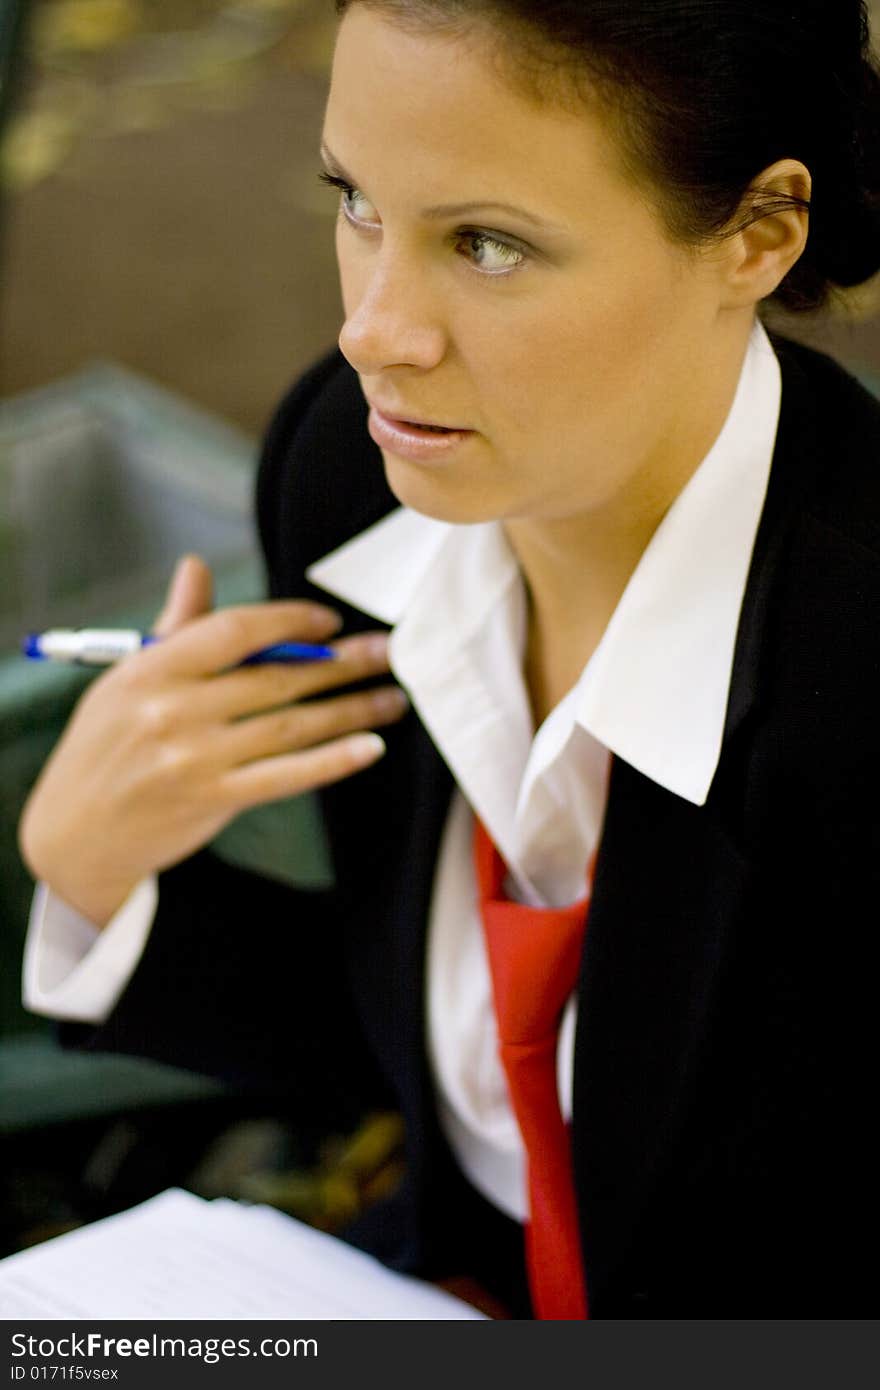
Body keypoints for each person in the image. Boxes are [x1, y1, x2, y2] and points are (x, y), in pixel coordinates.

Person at [18, 0, 880, 1317]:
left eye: (486, 243)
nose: (376, 329)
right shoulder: (349, 480)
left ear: (759, 233)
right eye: (356, 201)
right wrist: (97, 875)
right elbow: (432, 1049)